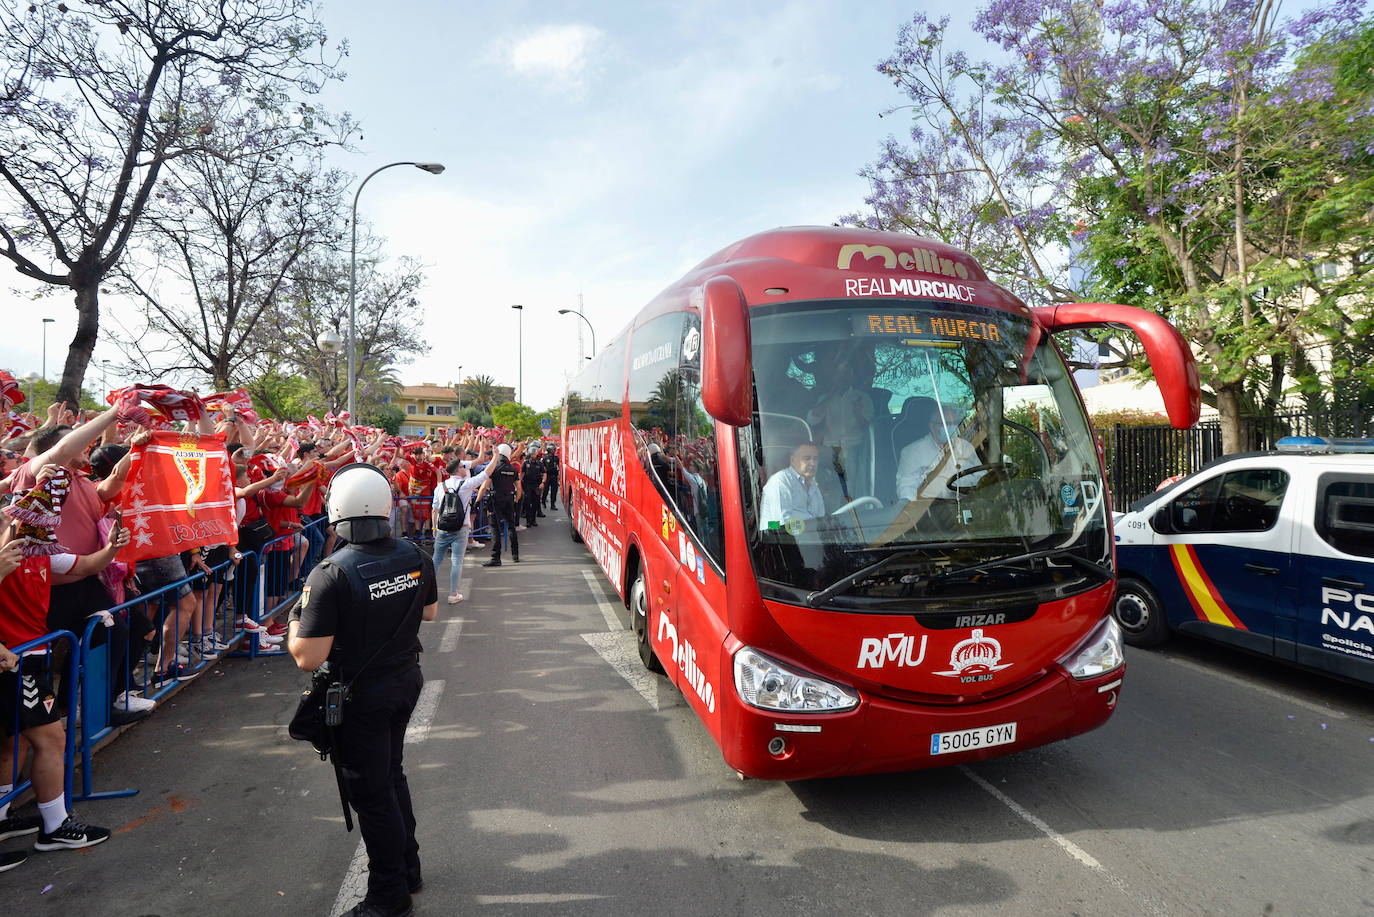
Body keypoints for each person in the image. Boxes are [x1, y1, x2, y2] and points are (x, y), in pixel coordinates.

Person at [287, 463, 438, 917]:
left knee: (372, 794)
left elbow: (306, 656)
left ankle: (389, 896)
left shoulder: (330, 573)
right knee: (390, 774)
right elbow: (428, 615)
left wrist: (296, 619)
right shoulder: (416, 554)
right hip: (404, 681)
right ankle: (407, 869)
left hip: (360, 697)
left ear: (338, 513)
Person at [894, 402, 982, 501]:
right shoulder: (913, 453)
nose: (953, 427)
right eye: (947, 424)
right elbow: (906, 492)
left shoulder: (965, 447)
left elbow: (982, 477)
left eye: (955, 422)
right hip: (934, 510)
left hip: (968, 504)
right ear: (932, 426)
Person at [429, 458, 486, 605]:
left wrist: (434, 528)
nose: (464, 469)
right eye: (462, 467)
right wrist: (497, 456)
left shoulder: (439, 487)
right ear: (458, 469)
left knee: (435, 560)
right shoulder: (466, 484)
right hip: (461, 528)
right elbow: (486, 474)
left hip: (442, 528)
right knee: (457, 562)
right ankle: (453, 594)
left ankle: (427, 593)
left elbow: (435, 510)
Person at [759, 440, 825, 531]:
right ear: (793, 460)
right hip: (776, 541)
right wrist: (809, 527)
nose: (812, 463)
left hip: (810, 540)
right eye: (807, 458)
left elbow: (821, 520)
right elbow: (780, 523)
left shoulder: (813, 486)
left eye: (815, 459)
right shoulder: (781, 480)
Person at [477, 444, 520, 566]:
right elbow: (519, 488)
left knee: (495, 528)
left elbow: (484, 486)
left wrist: (477, 501)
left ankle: (496, 558)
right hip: (509, 499)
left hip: (495, 500)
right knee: (511, 527)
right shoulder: (513, 469)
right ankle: (515, 555)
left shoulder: (494, 468)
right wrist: (515, 499)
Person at [541, 445, 559, 510]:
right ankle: (543, 501)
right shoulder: (545, 457)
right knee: (545, 490)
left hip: (554, 476)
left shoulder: (556, 458)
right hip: (547, 476)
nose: (553, 451)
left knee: (554, 491)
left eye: (554, 449)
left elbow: (558, 466)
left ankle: (553, 504)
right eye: (552, 449)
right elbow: (542, 466)